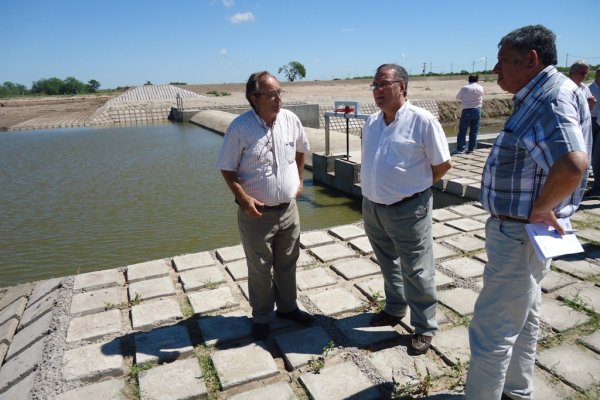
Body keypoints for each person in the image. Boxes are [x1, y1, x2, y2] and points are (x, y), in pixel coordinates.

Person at [465, 25, 590, 400]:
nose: (496, 71)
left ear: (531, 59)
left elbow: (572, 164)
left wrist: (540, 209)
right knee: (524, 319)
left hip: (520, 234)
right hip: (527, 236)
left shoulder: (549, 98)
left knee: (491, 331)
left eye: (503, 61)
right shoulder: (547, 91)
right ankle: (516, 391)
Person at [360, 63, 452, 355]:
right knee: (388, 263)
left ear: (402, 86)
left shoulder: (422, 120)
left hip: (409, 209)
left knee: (418, 269)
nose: (378, 91)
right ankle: (395, 308)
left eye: (383, 84)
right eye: (374, 85)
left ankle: (424, 327)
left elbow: (442, 164)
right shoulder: (372, 122)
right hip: (373, 207)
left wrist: (415, 188)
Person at [216, 71, 313, 340]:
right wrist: (243, 198)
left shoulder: (290, 120)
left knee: (288, 262)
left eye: (280, 92)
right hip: (256, 214)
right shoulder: (239, 128)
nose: (278, 99)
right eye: (272, 94)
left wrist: (301, 179)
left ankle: (288, 308)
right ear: (254, 98)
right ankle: (261, 317)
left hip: (288, 209)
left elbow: (300, 150)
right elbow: (226, 168)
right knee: (260, 267)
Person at [453, 74, 484, 154]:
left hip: (467, 110)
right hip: (477, 110)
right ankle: (471, 148)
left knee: (462, 131)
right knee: (474, 131)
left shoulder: (465, 88)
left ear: (469, 79)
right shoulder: (480, 87)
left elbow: (457, 97)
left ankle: (461, 149)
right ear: (477, 80)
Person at [586, 68, 600, 198]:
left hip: (599, 121)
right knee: (590, 148)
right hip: (592, 119)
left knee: (597, 155)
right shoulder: (589, 88)